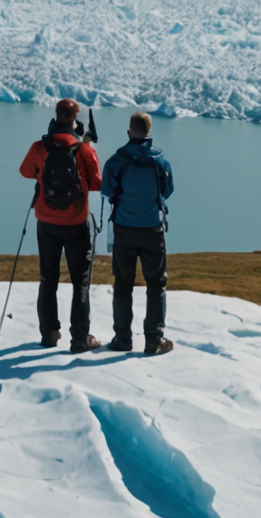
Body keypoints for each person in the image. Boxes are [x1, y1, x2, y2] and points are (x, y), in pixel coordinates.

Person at [18, 98, 102, 352]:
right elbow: (97, 183)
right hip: (75, 224)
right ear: (75, 119)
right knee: (81, 281)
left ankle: (49, 334)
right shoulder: (84, 149)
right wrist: (90, 150)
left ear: (56, 115)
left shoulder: (39, 147)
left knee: (48, 279)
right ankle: (80, 338)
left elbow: (25, 171)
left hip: (46, 221)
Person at [100, 111, 175, 355]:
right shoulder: (160, 161)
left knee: (123, 285)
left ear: (129, 132)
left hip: (124, 229)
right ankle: (154, 340)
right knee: (156, 285)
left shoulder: (117, 160)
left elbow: (107, 190)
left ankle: (123, 339)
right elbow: (168, 190)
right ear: (149, 132)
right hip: (153, 229)